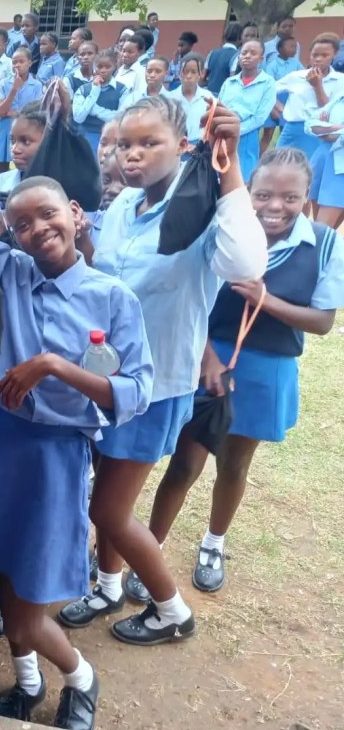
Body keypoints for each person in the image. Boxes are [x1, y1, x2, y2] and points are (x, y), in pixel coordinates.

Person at [0, 74, 152, 730]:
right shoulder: (9, 271)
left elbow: (134, 392)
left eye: (48, 215)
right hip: (2, 444)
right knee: (1, 577)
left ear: (76, 214)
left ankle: (80, 679)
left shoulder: (112, 299)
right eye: (21, 223)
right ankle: (27, 681)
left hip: (56, 455)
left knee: (30, 606)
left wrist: (54, 365)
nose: (36, 230)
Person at [58, 96, 267, 643]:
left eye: (150, 143)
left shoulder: (199, 208)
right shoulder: (124, 205)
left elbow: (245, 264)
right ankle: (108, 586)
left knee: (108, 509)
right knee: (108, 493)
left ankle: (171, 610)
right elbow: (107, 279)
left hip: (155, 386)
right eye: (125, 144)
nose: (132, 155)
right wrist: (82, 239)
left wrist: (230, 165)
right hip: (105, 378)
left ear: (183, 145)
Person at [147, 148, 344, 593]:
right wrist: (206, 357)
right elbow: (190, 300)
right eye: (263, 195)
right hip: (209, 359)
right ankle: (151, 548)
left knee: (234, 464)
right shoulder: (226, 231)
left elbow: (322, 322)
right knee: (185, 462)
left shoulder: (325, 243)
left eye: (290, 198)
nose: (275, 207)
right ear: (248, 191)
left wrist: (265, 300)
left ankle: (213, 543)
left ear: (308, 196)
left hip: (266, 368)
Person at [275, 33, 344, 159]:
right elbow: (268, 91)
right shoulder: (296, 76)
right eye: (315, 55)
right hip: (292, 130)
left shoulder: (339, 80)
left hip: (318, 131)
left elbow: (329, 111)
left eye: (324, 55)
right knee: (277, 162)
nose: (318, 59)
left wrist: (317, 86)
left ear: (335, 54)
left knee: (309, 167)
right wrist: (280, 108)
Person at [218, 39, 277, 181]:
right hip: (223, 135)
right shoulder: (229, 82)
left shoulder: (267, 83)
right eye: (244, 53)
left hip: (247, 136)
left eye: (253, 53)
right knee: (219, 177)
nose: (247, 56)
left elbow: (260, 118)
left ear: (261, 58)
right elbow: (218, 109)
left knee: (242, 179)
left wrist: (236, 130)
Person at [0, 48, 44, 171]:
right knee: (1, 166)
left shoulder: (36, 85)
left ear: (30, 63)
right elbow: (0, 112)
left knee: (26, 164)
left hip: (28, 127)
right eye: (14, 62)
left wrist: (12, 113)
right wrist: (14, 89)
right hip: (5, 127)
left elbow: (35, 112)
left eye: (21, 61)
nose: (17, 65)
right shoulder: (4, 83)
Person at [0, 100, 47, 201]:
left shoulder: (67, 189)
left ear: (49, 141)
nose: (14, 149)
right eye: (12, 141)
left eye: (26, 141)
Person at [72, 49, 127, 154]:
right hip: (84, 138)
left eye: (108, 67)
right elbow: (78, 117)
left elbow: (121, 119)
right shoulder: (83, 90)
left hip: (111, 139)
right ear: (94, 66)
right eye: (99, 67)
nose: (103, 70)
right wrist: (94, 91)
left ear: (114, 66)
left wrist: (94, 110)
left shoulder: (122, 90)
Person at [307, 85, 344, 228]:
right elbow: (309, 124)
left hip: (340, 168)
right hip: (324, 160)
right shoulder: (339, 97)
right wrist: (336, 128)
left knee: (322, 227)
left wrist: (325, 131)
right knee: (321, 228)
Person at [260, 35, 303, 155]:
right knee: (268, 133)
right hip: (274, 100)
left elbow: (302, 76)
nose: (295, 49)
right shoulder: (272, 65)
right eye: (291, 46)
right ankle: (260, 157)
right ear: (279, 49)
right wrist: (273, 104)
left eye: (295, 47)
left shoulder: (296, 63)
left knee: (285, 131)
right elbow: (269, 85)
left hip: (289, 101)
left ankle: (283, 157)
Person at [167, 53, 214, 149]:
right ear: (180, 73)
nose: (188, 76)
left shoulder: (208, 98)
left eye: (193, 72)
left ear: (201, 74)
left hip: (200, 147)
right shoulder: (169, 98)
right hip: (175, 147)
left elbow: (212, 126)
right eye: (185, 71)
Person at [203, 23, 243, 96]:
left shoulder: (212, 53)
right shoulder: (237, 56)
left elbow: (203, 77)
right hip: (223, 97)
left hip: (208, 95)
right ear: (240, 39)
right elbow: (232, 81)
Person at [114, 35, 147, 99]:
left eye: (130, 52)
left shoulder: (141, 73)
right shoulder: (120, 70)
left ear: (140, 53)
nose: (125, 55)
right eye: (123, 51)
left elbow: (139, 97)